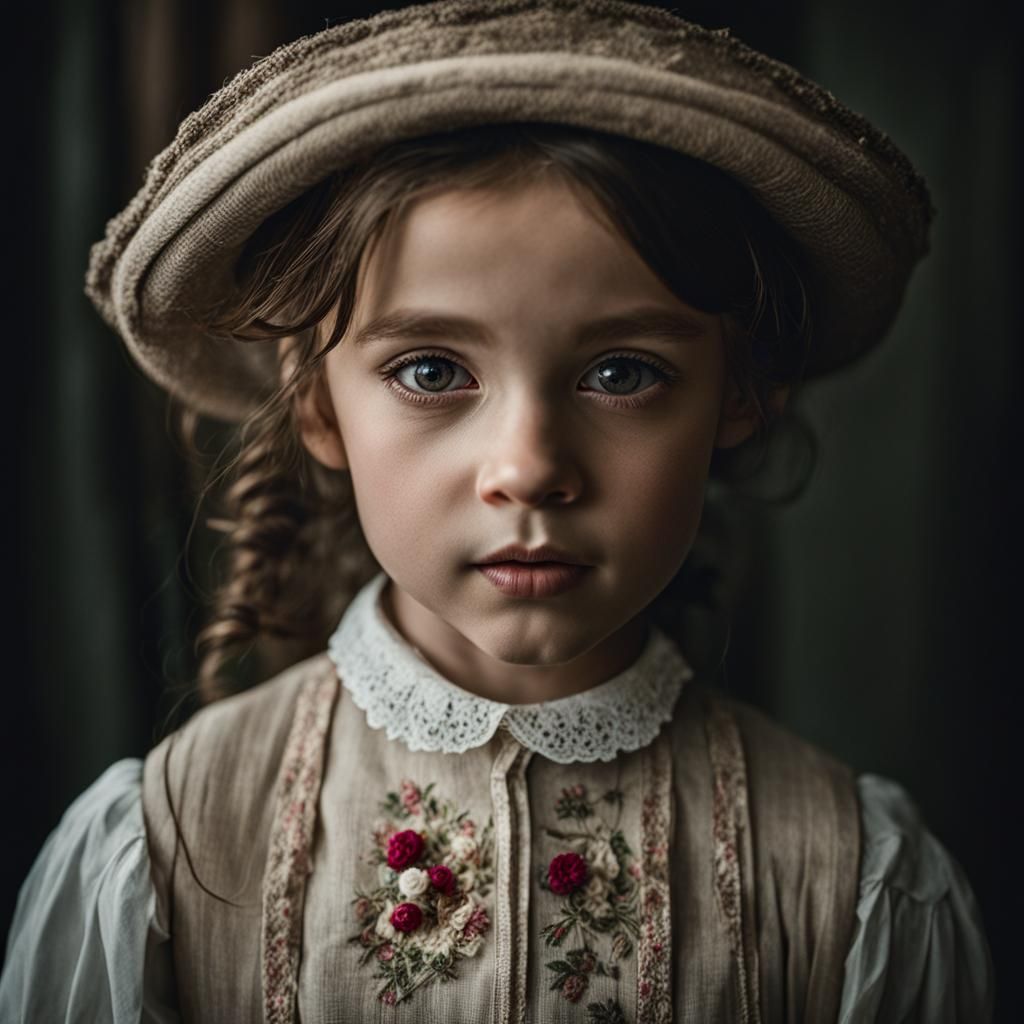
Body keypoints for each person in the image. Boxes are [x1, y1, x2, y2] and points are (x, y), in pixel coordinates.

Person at [0, 1, 995, 1021]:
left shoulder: (850, 879)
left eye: (621, 372)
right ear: (317, 405)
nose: (527, 469)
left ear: (738, 394)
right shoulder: (164, 848)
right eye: (431, 370)